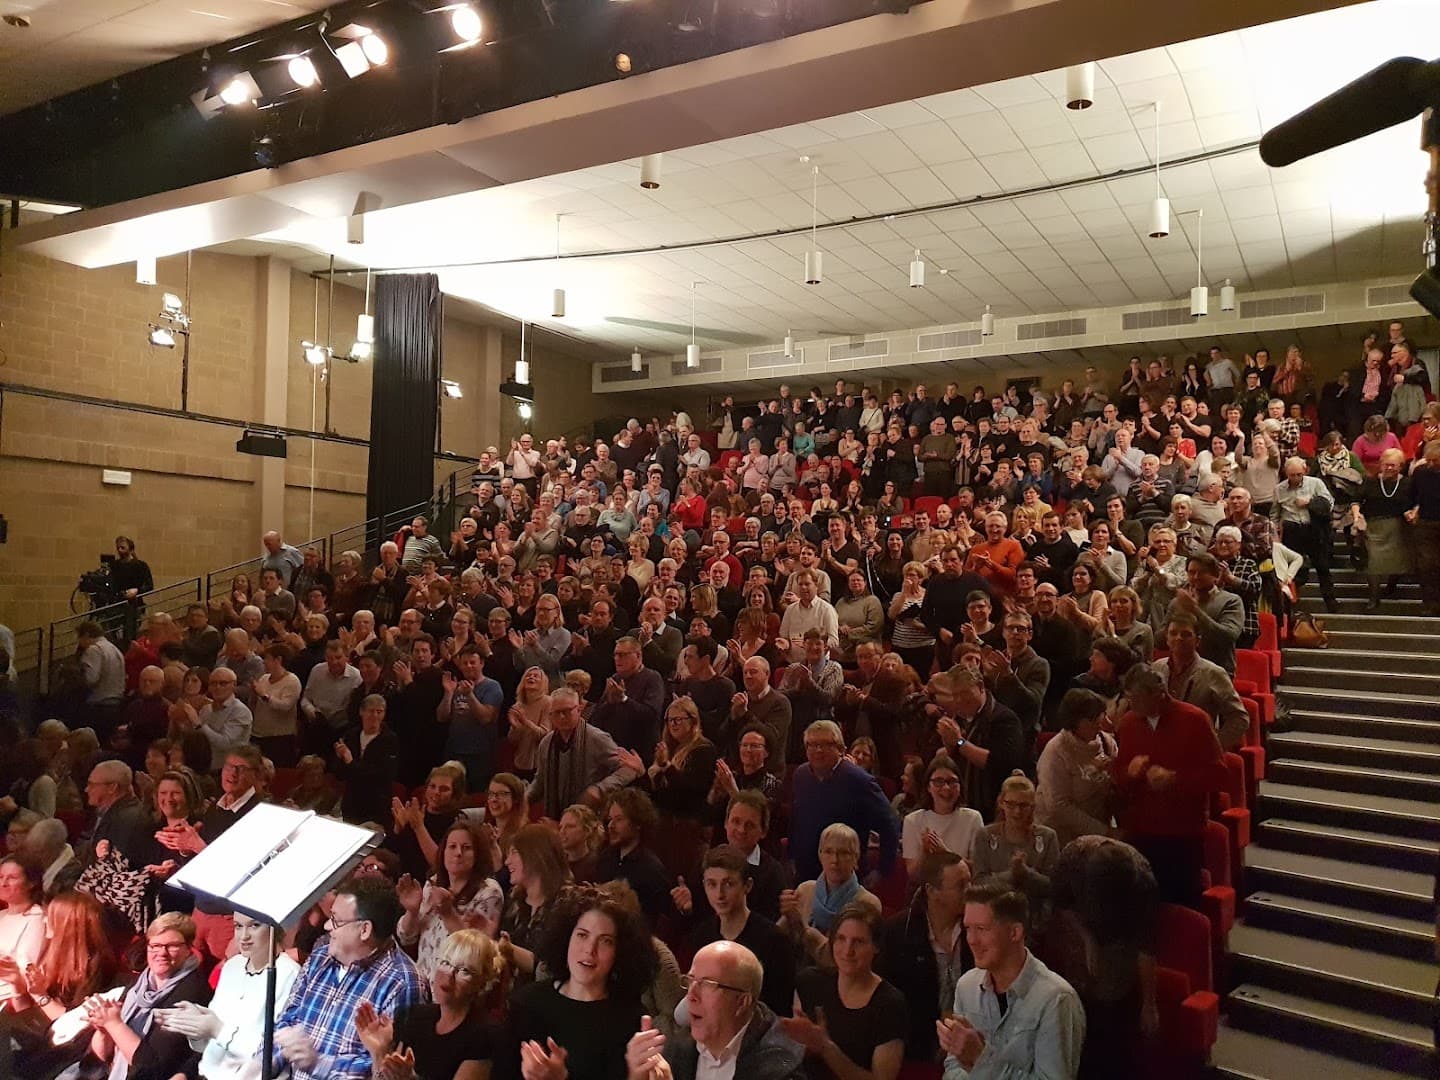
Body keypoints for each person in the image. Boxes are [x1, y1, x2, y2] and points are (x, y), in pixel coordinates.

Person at [273, 876, 425, 1079]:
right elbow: (286, 1021)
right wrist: (259, 1067)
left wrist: (317, 1063)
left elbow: (381, 1067)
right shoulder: (320, 957)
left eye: (336, 919)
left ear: (364, 930)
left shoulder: (402, 982)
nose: (327, 926)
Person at [507, 884, 657, 1080]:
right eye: (582, 935)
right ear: (566, 938)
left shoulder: (631, 1017)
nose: (590, 950)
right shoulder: (526, 1004)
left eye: (605, 941)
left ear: (619, 953)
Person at [936, 885, 1084, 1080]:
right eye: (967, 928)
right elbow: (953, 1067)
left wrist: (981, 1060)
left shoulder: (1056, 999)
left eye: (981, 929)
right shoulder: (966, 987)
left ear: (1015, 932)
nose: (971, 940)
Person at [1111, 666, 1227, 908]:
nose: (1130, 704)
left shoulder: (1195, 720)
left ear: (1159, 694)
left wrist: (1174, 778)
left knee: (1182, 906)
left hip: (1182, 836)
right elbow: (1118, 777)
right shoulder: (1130, 723)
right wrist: (1129, 773)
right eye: (1128, 698)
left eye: (1136, 698)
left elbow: (1218, 776)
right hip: (1141, 832)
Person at [622, 940, 805, 1080]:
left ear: (741, 1002)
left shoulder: (781, 1067)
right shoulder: (674, 1049)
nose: (691, 996)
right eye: (691, 980)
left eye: (707, 985)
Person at [153, 910, 302, 1080]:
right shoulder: (233, 966)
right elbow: (208, 1047)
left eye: (254, 926)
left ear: (275, 927)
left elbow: (272, 1056)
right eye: (238, 926)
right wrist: (194, 1028)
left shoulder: (289, 974)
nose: (244, 936)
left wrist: (217, 1029)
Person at [356, 928, 504, 1080]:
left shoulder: (485, 1034)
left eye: (464, 970)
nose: (448, 976)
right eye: (445, 963)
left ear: (481, 983)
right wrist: (379, 1051)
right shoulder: (415, 1016)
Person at [785, 902, 907, 1080]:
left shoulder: (890, 1004)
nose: (848, 951)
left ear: (876, 946)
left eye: (858, 942)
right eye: (841, 939)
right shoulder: (809, 982)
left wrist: (826, 1047)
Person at [84, 912, 212, 1080]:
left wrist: (114, 1025)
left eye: (172, 946)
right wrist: (103, 1030)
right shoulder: (141, 983)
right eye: (155, 946)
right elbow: (98, 1059)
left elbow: (150, 1069)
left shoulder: (191, 993)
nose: (162, 953)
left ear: (188, 949)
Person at [676, 844, 795, 1017]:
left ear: (747, 885)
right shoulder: (702, 936)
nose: (719, 894)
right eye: (712, 884)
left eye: (729, 884)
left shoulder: (774, 940)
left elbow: (780, 1011)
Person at [878, 850, 973, 1062]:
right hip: (917, 1046)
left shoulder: (980, 928)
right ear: (931, 891)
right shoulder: (897, 933)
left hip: (975, 1040)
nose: (970, 891)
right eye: (961, 885)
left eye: (970, 882)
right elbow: (891, 1005)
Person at [787, 721, 898, 884]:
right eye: (813, 744)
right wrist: (791, 856)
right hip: (805, 872)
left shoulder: (859, 780)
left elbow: (890, 822)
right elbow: (796, 818)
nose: (818, 750)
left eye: (826, 744)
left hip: (845, 876)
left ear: (841, 749)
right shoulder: (800, 775)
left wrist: (882, 870)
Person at [397, 820, 504, 981]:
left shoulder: (489, 891)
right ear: (443, 852)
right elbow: (406, 937)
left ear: (478, 854)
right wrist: (411, 911)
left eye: (466, 848)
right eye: (452, 846)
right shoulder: (433, 883)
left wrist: (448, 913)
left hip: (456, 988)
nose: (458, 852)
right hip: (423, 982)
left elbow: (473, 952)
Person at [527, 687, 640, 820]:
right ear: (550, 715)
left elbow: (629, 769)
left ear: (579, 710)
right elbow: (540, 781)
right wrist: (524, 798)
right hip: (556, 817)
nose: (562, 717)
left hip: (589, 819)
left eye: (567, 711)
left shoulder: (597, 738)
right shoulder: (546, 743)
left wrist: (600, 788)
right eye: (556, 713)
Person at [968, 775, 1058, 942]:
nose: (1017, 812)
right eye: (1011, 804)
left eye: (1024, 805)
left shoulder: (1047, 837)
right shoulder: (986, 836)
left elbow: (1054, 886)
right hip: (993, 921)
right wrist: (1011, 875)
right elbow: (978, 882)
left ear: (1033, 806)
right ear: (1001, 802)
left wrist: (1026, 873)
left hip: (1035, 924)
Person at [780, 823, 882, 966]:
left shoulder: (867, 903)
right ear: (820, 855)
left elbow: (844, 959)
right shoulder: (805, 890)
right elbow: (777, 940)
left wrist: (803, 930)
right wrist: (786, 915)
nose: (835, 860)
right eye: (828, 852)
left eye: (843, 853)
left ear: (856, 858)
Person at [1153, 614, 1250, 751]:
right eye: (1173, 633)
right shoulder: (1157, 668)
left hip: (1196, 751)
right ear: (1167, 639)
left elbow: (1239, 718)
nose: (1179, 638)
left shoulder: (1213, 673)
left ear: (1197, 641)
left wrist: (1214, 747)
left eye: (1186, 634)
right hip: (1161, 747)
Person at [1035, 689, 1116, 848]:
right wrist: (1103, 831)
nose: (1105, 724)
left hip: (1096, 836)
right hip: (1061, 837)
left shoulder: (1106, 743)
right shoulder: (1056, 752)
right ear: (1078, 722)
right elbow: (1058, 807)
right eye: (1096, 721)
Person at [902, 755, 985, 876]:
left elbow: (978, 869)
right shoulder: (913, 820)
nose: (946, 788)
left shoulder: (973, 818)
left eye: (952, 781)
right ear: (928, 787)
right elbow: (913, 874)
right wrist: (925, 853)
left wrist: (945, 852)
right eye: (938, 782)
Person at [334, 693, 400, 825]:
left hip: (376, 806)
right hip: (352, 803)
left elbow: (383, 775)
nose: (375, 716)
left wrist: (350, 762)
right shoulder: (351, 735)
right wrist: (339, 757)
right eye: (371, 711)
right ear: (361, 712)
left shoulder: (390, 740)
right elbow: (340, 774)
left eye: (379, 711)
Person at [0, 856, 45, 1005]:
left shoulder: (37, 918)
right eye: (1, 877)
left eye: (12, 878)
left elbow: (27, 971)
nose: (3, 883)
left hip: (9, 998)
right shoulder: (2, 915)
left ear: (31, 883)